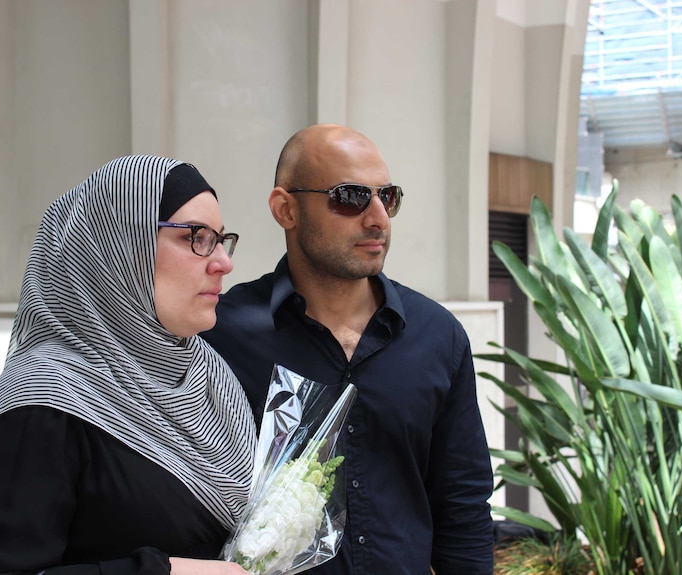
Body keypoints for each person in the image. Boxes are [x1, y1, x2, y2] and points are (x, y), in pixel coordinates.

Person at [202, 124, 494, 575]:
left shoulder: (438, 336)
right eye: (351, 197)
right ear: (286, 209)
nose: (378, 218)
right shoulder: (221, 335)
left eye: (388, 197)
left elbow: (463, 504)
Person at [0, 155, 256, 575]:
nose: (223, 261)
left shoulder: (211, 379)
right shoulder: (42, 403)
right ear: (119, 247)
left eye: (222, 239)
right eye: (197, 238)